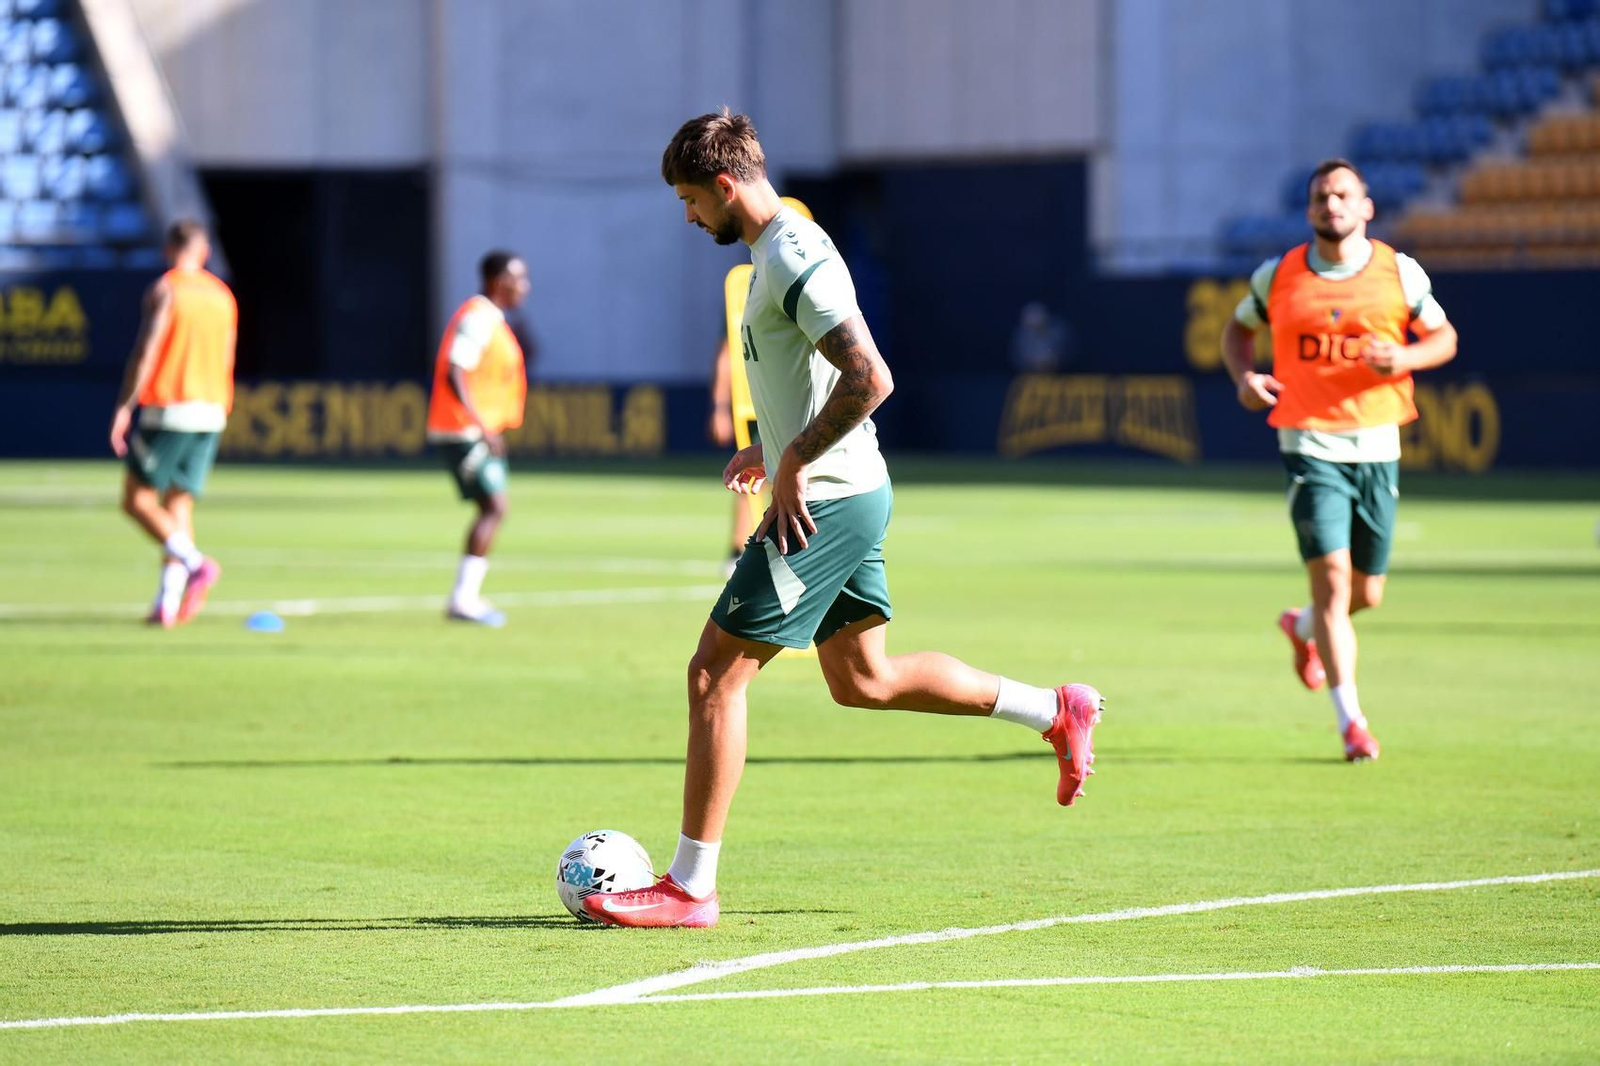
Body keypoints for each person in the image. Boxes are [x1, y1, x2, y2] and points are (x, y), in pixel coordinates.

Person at [582, 109, 1105, 929]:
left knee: (713, 672)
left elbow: (872, 377)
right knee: (864, 679)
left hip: (824, 501)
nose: (687, 217)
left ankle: (689, 888)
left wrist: (793, 460)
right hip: (844, 489)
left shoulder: (791, 253)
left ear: (724, 186)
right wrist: (776, 445)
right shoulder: (772, 250)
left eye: (689, 200)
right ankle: (1054, 709)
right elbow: (819, 381)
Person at [1220, 158, 1457, 762]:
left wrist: (1402, 360)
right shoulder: (1278, 276)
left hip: (1378, 441)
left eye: (1344, 195)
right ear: (1309, 210)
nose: (1333, 205)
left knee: (1366, 594)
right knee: (1331, 583)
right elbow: (1236, 330)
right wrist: (1245, 378)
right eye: (1322, 196)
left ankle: (1301, 629)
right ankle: (1353, 723)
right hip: (1308, 442)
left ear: (1366, 207)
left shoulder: (1399, 272)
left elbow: (1444, 338)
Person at [109, 219, 236, 628]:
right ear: (204, 253)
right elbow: (228, 357)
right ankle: (167, 603)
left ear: (168, 251)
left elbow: (147, 351)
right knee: (178, 504)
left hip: (171, 406)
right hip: (212, 408)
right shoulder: (222, 296)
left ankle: (196, 564)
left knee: (137, 500)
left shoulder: (168, 289)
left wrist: (125, 406)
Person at [425, 250, 531, 627]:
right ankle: (463, 599)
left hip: (471, 429)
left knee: (493, 508)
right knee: (495, 507)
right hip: (463, 429)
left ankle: (465, 597)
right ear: (499, 280)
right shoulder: (479, 317)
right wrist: (482, 425)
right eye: (520, 278)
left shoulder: (493, 319)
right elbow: (456, 369)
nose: (525, 286)